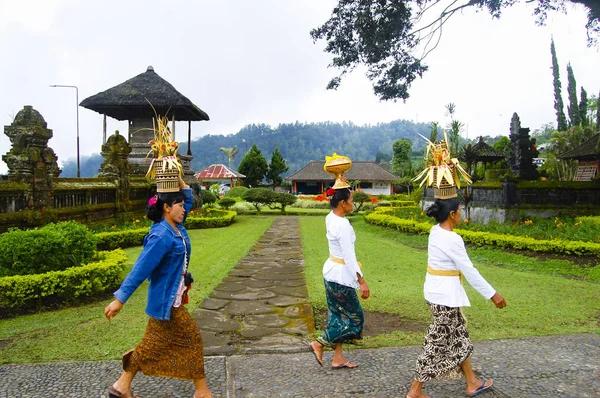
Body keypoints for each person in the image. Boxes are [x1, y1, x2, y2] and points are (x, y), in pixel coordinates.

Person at [104, 176, 212, 398]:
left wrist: (181, 182)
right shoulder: (161, 235)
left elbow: (187, 202)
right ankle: (202, 392)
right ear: (166, 207)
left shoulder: (175, 226)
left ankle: (122, 386)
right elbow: (140, 269)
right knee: (191, 339)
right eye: (179, 206)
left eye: (183, 206)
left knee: (153, 345)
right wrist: (120, 299)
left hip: (173, 300)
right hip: (166, 302)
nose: (184, 210)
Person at [406, 197, 506, 398]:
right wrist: (492, 294)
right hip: (445, 298)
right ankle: (415, 390)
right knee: (436, 343)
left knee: (460, 338)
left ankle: (472, 382)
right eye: (459, 211)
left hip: (438, 293)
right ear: (452, 214)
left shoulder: (436, 231)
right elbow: (469, 271)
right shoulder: (452, 239)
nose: (461, 214)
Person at [309, 187, 370, 369]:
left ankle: (338, 357)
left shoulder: (331, 217)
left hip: (331, 273)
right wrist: (362, 281)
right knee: (355, 318)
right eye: (351, 200)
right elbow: (349, 257)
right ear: (343, 203)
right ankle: (319, 343)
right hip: (341, 277)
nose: (353, 203)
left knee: (337, 316)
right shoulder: (342, 225)